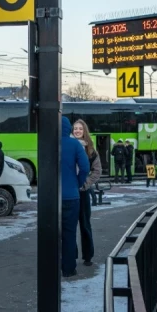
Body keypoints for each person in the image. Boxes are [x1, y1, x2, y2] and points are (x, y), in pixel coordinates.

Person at [60, 116, 90, 278]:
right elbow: (85, 167)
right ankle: (69, 269)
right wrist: (77, 183)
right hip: (71, 197)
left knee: (52, 234)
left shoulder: (48, 143)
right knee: (69, 233)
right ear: (69, 129)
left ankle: (51, 264)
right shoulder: (75, 144)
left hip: (51, 199)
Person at [73, 120, 102, 267]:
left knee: (85, 224)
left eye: (80, 128)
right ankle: (71, 255)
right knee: (70, 226)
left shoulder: (91, 150)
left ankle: (88, 255)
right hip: (70, 192)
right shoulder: (66, 146)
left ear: (85, 131)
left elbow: (97, 171)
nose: (78, 131)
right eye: (75, 128)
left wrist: (86, 184)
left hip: (83, 192)